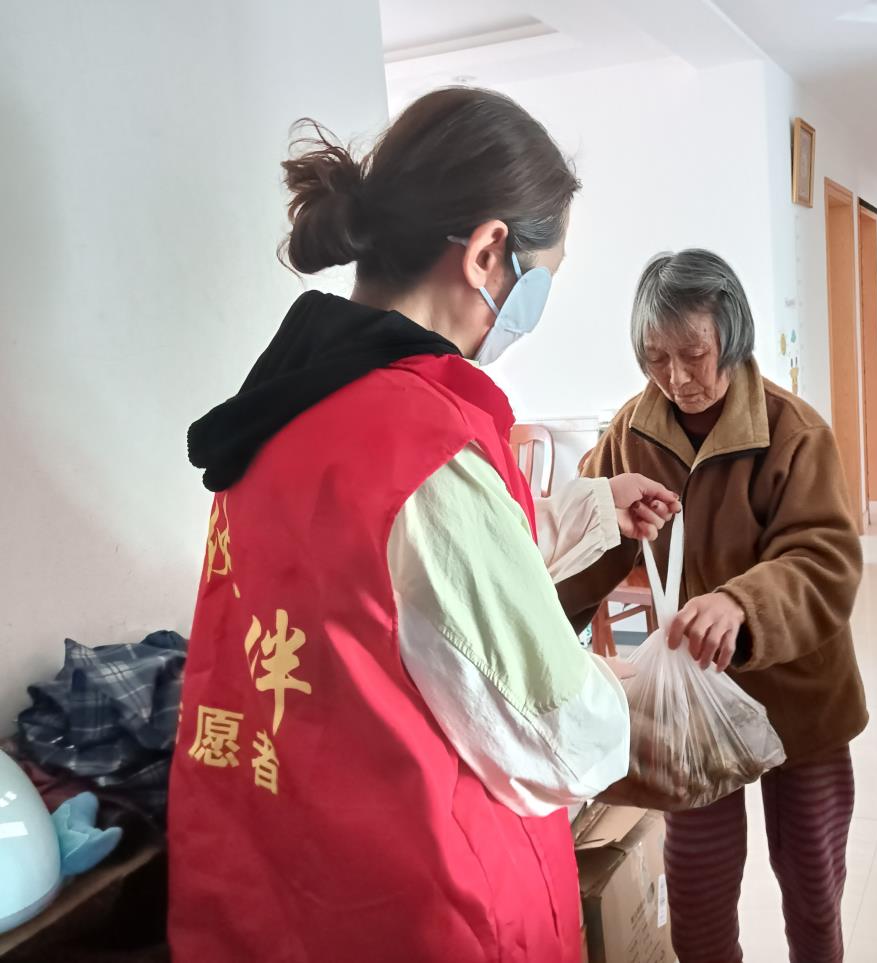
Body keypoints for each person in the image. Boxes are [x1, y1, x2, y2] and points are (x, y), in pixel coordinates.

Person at [169, 88, 680, 963]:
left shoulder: (286, 409)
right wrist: (635, 693)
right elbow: (554, 731)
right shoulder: (424, 443)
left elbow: (390, 589)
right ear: (489, 251)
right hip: (417, 905)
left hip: (270, 887)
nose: (537, 302)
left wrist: (589, 511)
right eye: (542, 275)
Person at [559, 249, 868, 963]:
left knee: (813, 884)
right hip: (691, 700)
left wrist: (740, 603)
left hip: (799, 697)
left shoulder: (794, 432)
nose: (676, 378)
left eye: (694, 354)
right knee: (697, 890)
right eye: (655, 358)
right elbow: (589, 539)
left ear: (731, 337)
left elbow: (824, 558)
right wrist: (539, 619)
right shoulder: (631, 430)